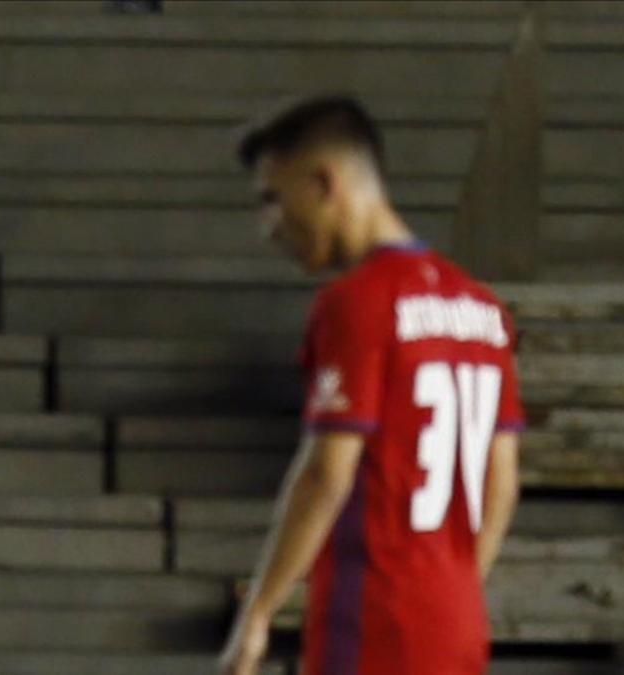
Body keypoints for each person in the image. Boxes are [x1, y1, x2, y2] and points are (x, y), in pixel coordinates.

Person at [217, 96, 524, 675]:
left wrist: (258, 613)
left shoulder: (356, 303)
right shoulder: (483, 308)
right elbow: (501, 483)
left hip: (372, 620)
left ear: (323, 183)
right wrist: (451, 590)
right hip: (457, 624)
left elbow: (327, 474)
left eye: (273, 201)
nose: (270, 227)